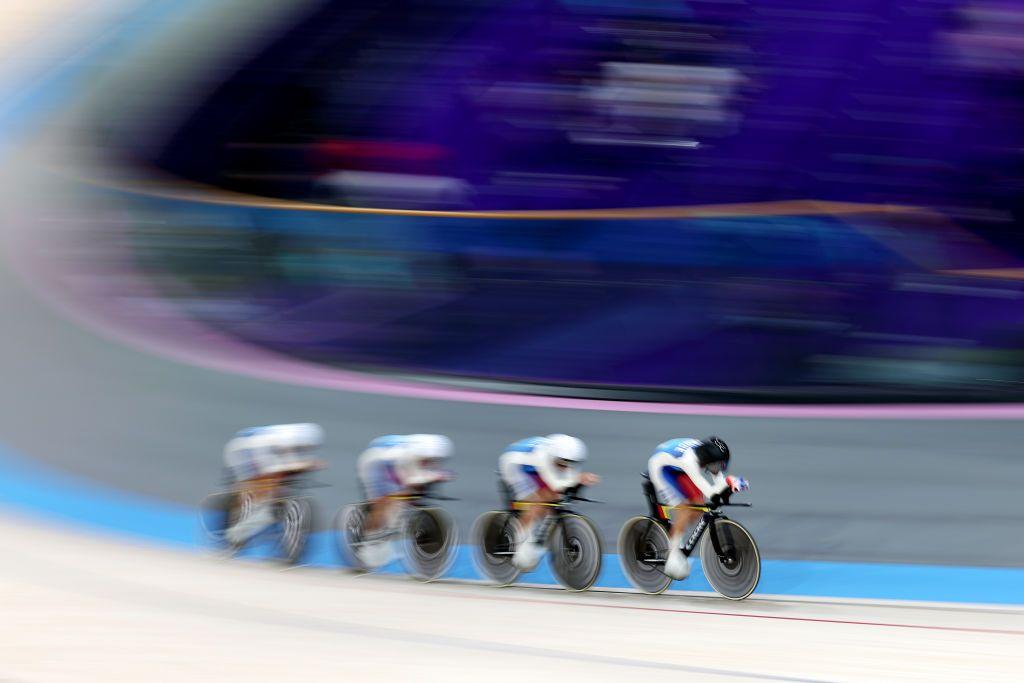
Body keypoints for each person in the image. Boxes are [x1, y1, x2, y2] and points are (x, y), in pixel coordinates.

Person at [647, 436, 749, 580]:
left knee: (698, 505)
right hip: (660, 467)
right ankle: (673, 554)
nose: (718, 469)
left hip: (676, 465)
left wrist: (729, 486)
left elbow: (718, 482)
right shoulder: (690, 461)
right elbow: (711, 493)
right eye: (718, 465)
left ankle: (677, 532)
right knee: (685, 509)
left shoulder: (707, 454)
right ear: (709, 458)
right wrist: (730, 482)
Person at [498, 434, 601, 571]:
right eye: (562, 463)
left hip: (535, 467)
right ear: (554, 456)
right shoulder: (542, 457)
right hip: (514, 466)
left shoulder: (564, 457)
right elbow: (556, 484)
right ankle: (520, 539)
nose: (566, 466)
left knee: (551, 498)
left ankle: (538, 535)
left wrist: (576, 483)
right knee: (538, 500)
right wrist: (578, 479)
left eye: (569, 463)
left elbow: (568, 480)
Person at [222, 423, 325, 546]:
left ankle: (265, 511)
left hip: (260, 451)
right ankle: (241, 519)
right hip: (242, 451)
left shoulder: (292, 442)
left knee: (279, 482)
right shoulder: (281, 442)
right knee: (263, 483)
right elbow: (271, 467)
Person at [356, 434, 454, 538]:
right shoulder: (405, 455)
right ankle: (369, 534)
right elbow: (410, 480)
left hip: (390, 460)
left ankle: (397, 515)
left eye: (434, 460)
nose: (432, 462)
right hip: (374, 464)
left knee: (412, 488)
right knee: (387, 498)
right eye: (428, 459)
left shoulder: (422, 452)